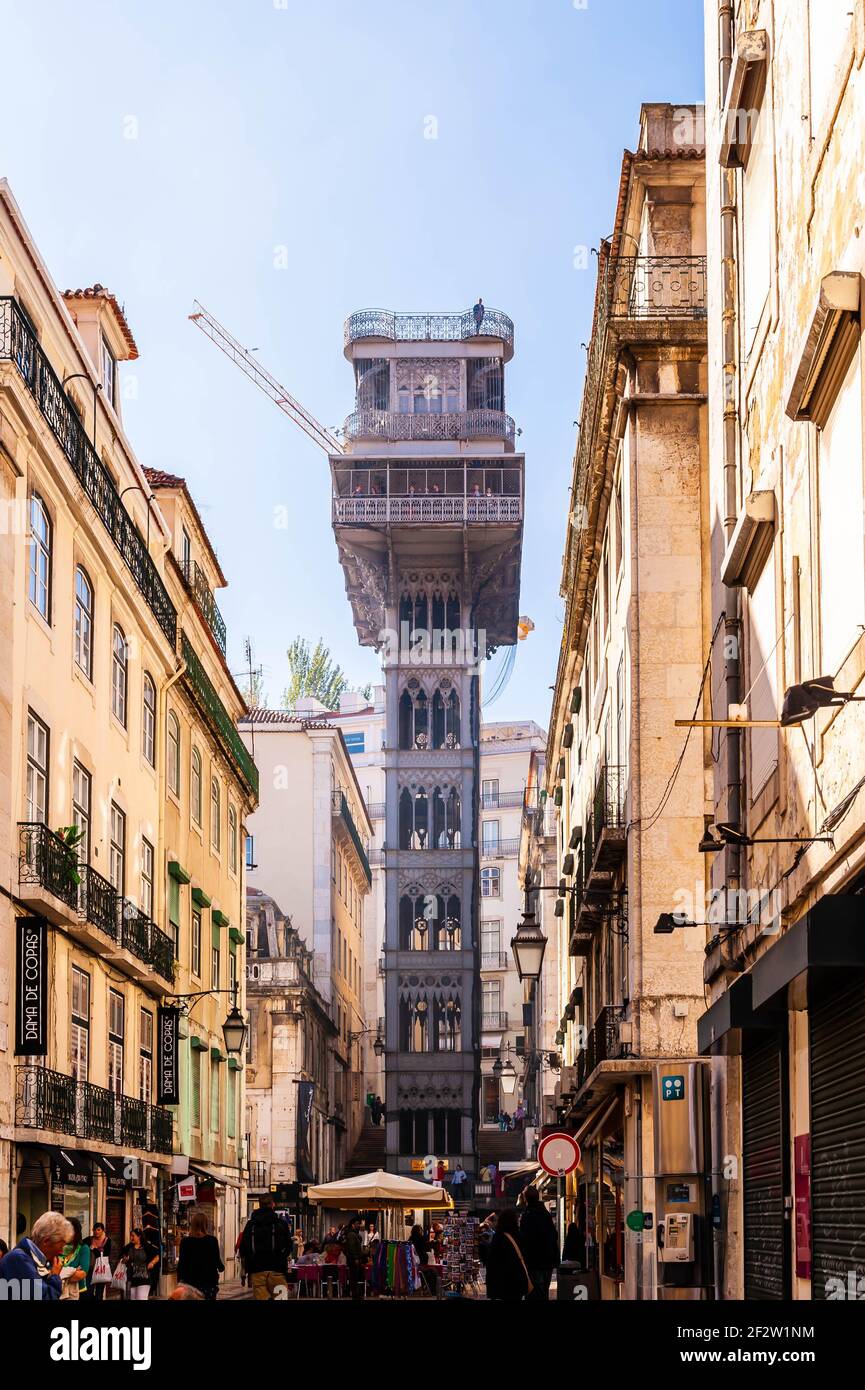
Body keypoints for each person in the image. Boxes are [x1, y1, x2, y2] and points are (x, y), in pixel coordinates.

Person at [0, 1211, 71, 1300]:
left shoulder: (31, 1259)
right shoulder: (18, 1259)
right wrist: (55, 1277)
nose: (61, 1252)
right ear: (46, 1241)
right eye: (61, 1246)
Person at [239, 1195, 291, 1301]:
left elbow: (243, 1249)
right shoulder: (281, 1224)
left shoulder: (251, 1225)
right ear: (272, 1205)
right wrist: (281, 1258)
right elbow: (289, 1246)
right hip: (277, 1271)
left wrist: (247, 1270)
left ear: (259, 1205)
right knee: (280, 1298)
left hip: (257, 1271)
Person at [518, 1187, 559, 1301]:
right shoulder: (545, 1214)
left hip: (534, 1262)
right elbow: (554, 1235)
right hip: (548, 1261)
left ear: (526, 1199)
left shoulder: (527, 1215)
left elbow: (525, 1239)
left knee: (535, 1292)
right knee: (543, 1292)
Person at [484, 1208, 532, 1301]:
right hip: (517, 1279)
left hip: (502, 1280)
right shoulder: (520, 1236)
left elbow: (492, 1262)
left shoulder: (498, 1237)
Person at [177, 1210, 225, 1300]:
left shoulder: (185, 1242)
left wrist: (179, 1280)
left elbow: (182, 1263)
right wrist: (221, 1267)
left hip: (190, 1285)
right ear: (206, 1225)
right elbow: (217, 1261)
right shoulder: (212, 1241)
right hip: (208, 1284)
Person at [122, 1228, 159, 1301]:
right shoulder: (128, 1247)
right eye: (130, 1236)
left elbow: (157, 1256)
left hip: (144, 1277)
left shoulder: (146, 1246)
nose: (131, 1238)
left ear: (139, 1236)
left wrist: (152, 1263)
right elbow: (122, 1258)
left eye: (133, 1236)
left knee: (141, 1298)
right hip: (131, 1278)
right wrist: (124, 1260)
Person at [60, 1216, 91, 1299]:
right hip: (58, 1292)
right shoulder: (58, 1247)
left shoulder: (83, 1248)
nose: (64, 1233)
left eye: (67, 1230)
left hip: (79, 1293)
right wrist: (73, 1271)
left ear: (76, 1232)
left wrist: (59, 1273)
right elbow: (50, 1272)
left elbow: (81, 1274)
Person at [85, 1222, 112, 1301]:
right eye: (94, 1230)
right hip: (90, 1269)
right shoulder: (89, 1239)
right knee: (88, 1292)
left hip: (101, 1270)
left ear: (103, 1230)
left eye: (99, 1230)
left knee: (99, 1293)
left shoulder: (107, 1241)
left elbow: (105, 1255)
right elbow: (80, 1244)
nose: (96, 1231)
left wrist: (94, 1249)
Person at [343, 1217, 365, 1302]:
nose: (359, 1225)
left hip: (354, 1258)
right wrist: (356, 1258)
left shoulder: (354, 1233)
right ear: (353, 1225)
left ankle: (356, 1294)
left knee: (355, 1277)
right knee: (354, 1277)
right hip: (353, 1259)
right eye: (357, 1224)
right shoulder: (351, 1234)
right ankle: (355, 1295)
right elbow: (352, 1247)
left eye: (359, 1224)